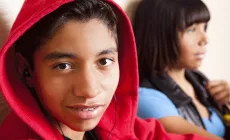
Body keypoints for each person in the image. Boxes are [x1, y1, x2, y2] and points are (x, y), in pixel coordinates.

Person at [0, 0, 210, 139]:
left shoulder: (118, 125)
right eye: (63, 66)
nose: (90, 90)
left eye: (104, 61)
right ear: (27, 71)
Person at [134, 0, 230, 140]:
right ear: (161, 35)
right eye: (191, 29)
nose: (204, 39)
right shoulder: (146, 98)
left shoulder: (199, 81)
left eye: (204, 28)